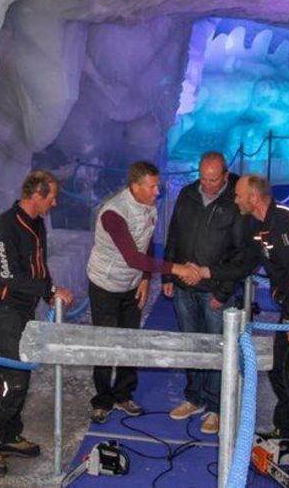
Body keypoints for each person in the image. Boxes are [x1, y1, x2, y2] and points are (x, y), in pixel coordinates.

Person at [196, 174, 289, 484]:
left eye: (238, 195)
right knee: (279, 372)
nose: (235, 200)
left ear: (254, 198)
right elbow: (244, 263)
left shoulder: (284, 224)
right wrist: (207, 272)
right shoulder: (260, 227)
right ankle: (287, 431)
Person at [0, 170, 74, 477]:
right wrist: (50, 290)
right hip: (4, 311)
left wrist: (48, 293)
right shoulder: (5, 227)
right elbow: (9, 277)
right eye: (52, 197)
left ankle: (8, 435)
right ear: (37, 196)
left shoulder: (37, 223)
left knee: (22, 376)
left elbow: (39, 267)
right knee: (11, 380)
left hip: (24, 310)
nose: (55, 203)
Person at [86, 160, 200, 424]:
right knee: (105, 344)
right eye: (151, 187)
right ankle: (102, 400)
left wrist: (146, 279)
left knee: (131, 341)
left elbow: (146, 242)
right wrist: (177, 269)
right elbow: (132, 257)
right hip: (105, 285)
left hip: (132, 284)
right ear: (135, 186)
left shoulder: (149, 206)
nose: (157, 192)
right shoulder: (113, 213)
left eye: (157, 186)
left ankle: (123, 394)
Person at [162, 151, 246, 434]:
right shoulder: (187, 194)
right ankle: (194, 397)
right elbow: (173, 235)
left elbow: (241, 254)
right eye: (203, 178)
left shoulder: (236, 201)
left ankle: (216, 406)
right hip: (184, 286)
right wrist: (168, 274)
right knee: (191, 344)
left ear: (225, 175)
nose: (207, 185)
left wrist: (224, 292)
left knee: (216, 347)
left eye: (213, 180)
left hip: (215, 290)